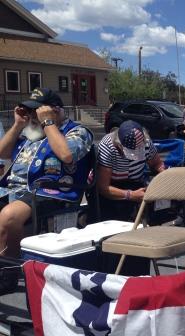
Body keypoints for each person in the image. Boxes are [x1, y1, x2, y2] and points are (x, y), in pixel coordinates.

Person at [0, 88, 93, 293]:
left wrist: (48, 123)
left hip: (52, 193)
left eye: (37, 111)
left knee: (8, 215)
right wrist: (17, 124)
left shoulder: (77, 132)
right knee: (9, 210)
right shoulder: (31, 134)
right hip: (15, 191)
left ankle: (7, 274)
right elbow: (3, 153)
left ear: (56, 112)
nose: (33, 117)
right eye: (30, 112)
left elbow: (67, 155)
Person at [97, 120, 164, 221]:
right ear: (119, 144)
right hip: (114, 188)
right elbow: (103, 187)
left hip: (136, 182)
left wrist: (163, 176)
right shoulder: (108, 146)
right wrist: (131, 195)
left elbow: (157, 163)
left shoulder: (145, 142)